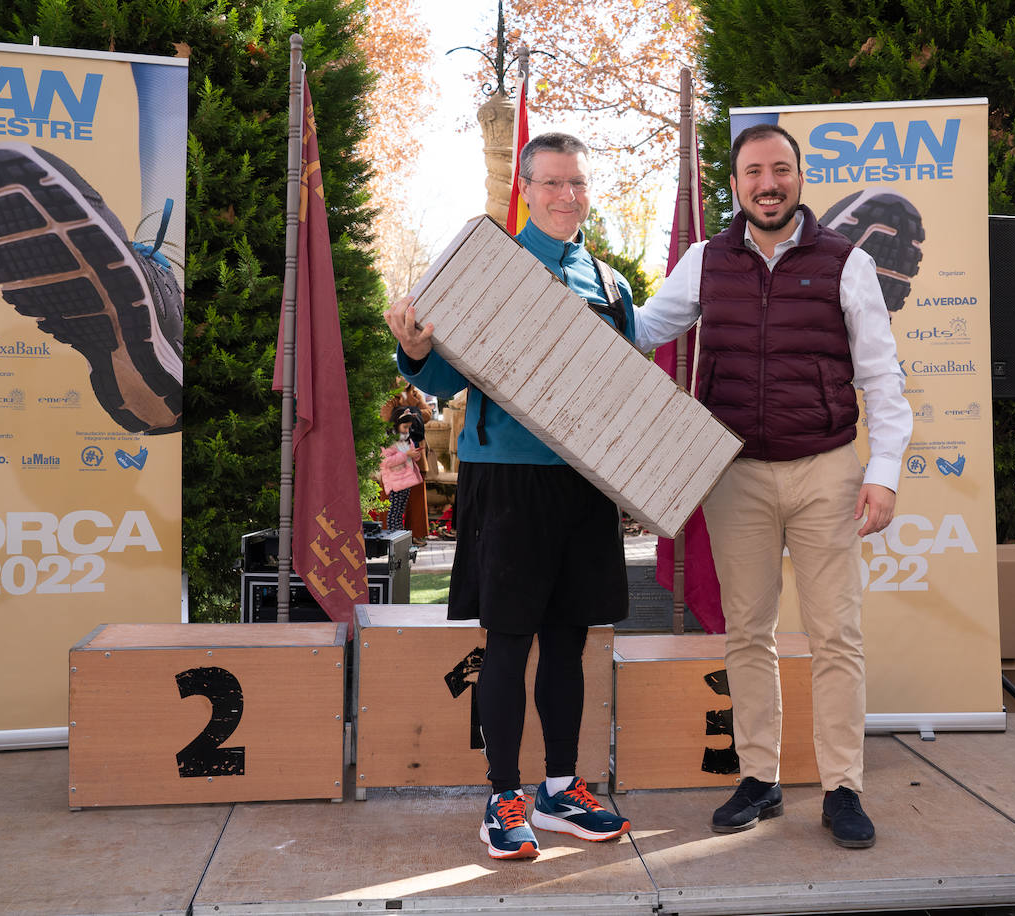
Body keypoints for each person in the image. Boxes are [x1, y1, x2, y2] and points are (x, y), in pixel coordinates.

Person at [631, 123, 912, 849]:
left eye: (780, 170)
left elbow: (883, 378)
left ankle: (843, 786)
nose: (768, 183)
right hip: (736, 478)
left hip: (826, 471)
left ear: (799, 178)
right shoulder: (703, 261)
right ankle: (759, 778)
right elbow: (640, 330)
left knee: (836, 636)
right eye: (754, 171)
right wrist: (564, 315)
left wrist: (882, 476)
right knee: (747, 633)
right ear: (735, 185)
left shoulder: (846, 263)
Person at [384, 132, 633, 861]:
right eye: (552, 183)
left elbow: (626, 388)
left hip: (585, 484)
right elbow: (436, 381)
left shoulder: (611, 284)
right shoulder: (489, 271)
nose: (568, 196)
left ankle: (560, 791)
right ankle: (503, 799)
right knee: (510, 640)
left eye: (578, 183)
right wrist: (418, 351)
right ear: (526, 189)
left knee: (569, 639)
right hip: (509, 483)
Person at [380, 408, 425, 533]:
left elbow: (411, 456)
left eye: (409, 427)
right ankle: (393, 537)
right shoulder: (389, 441)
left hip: (406, 481)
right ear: (396, 424)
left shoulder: (407, 439)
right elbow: (386, 462)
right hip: (396, 482)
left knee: (400, 511)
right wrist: (406, 455)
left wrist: (415, 455)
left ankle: (399, 537)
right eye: (405, 427)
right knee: (394, 512)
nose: (407, 430)